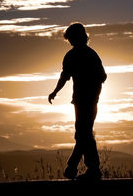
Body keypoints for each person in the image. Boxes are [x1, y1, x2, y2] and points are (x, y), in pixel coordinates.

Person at [48, 22, 107, 180]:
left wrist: (55, 92)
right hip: (84, 101)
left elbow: (101, 76)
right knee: (84, 134)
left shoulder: (77, 56)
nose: (71, 42)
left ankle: (78, 168)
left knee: (83, 134)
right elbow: (102, 76)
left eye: (72, 39)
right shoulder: (84, 55)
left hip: (86, 101)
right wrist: (55, 92)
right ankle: (88, 169)